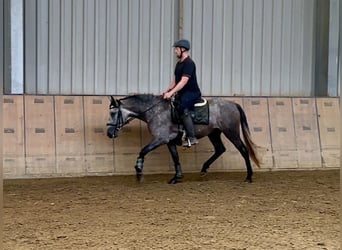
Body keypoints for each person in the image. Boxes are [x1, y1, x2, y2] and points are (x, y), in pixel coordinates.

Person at [162, 39, 202, 147]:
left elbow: (183, 81)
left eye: (176, 49)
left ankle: (192, 137)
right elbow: (175, 81)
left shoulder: (189, 63)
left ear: (183, 49)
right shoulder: (178, 64)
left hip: (192, 93)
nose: (175, 51)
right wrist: (167, 91)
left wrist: (171, 93)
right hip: (183, 92)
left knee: (182, 108)